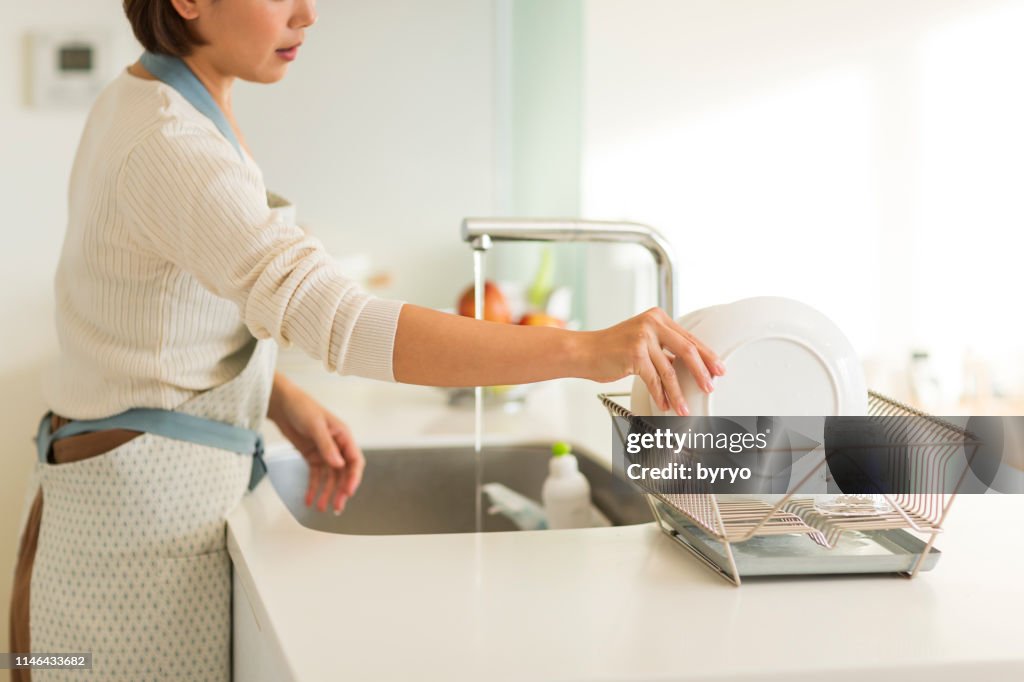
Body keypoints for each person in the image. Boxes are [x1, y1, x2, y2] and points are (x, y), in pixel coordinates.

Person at [7, 1, 724, 679]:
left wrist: (277, 396)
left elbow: (150, 313)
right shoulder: (171, 141)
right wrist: (583, 350)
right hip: (135, 543)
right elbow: (339, 324)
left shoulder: (154, 99)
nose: (308, 14)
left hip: (119, 503)